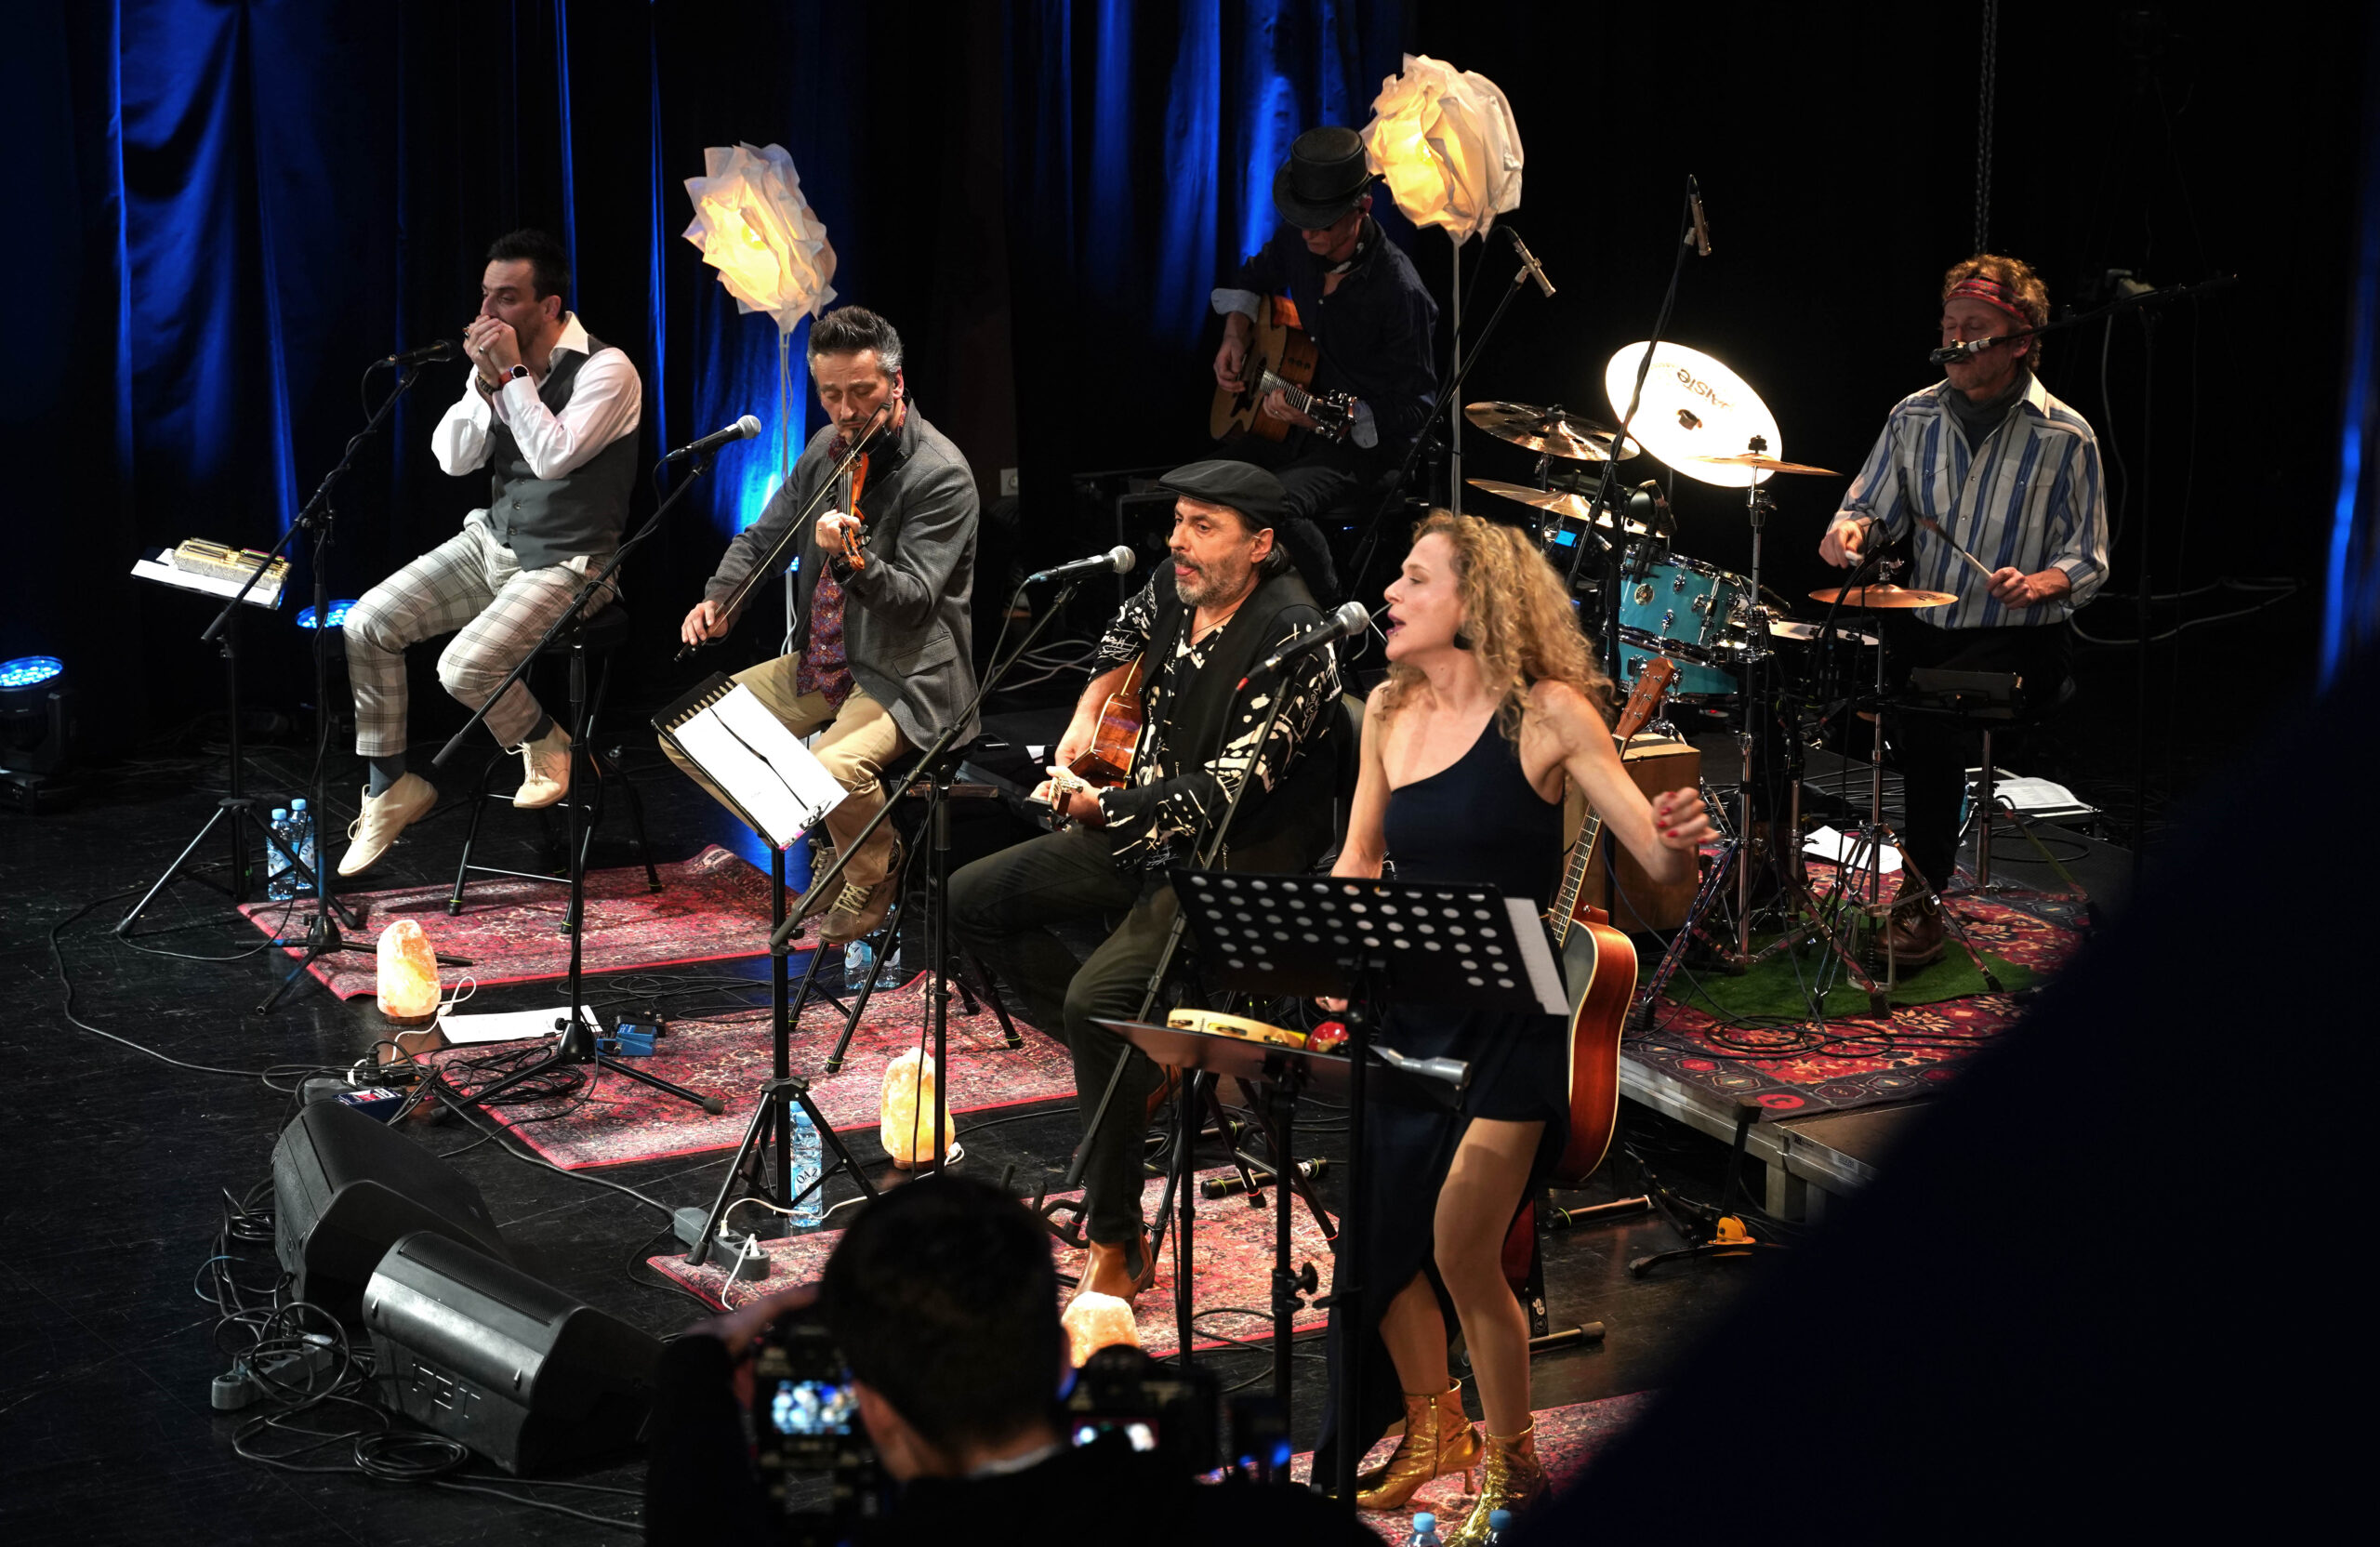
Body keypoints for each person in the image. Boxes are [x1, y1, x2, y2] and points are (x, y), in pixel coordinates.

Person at [1322, 512, 1713, 1543]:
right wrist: (1326, 953)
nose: (1391, 592)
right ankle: (1432, 1429)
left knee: (1460, 1242)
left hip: (1515, 1015)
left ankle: (1515, 1466)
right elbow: (1361, 857)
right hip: (1410, 1001)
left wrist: (1678, 840)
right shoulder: (1385, 708)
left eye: (1415, 578)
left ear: (1476, 601)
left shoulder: (1550, 714)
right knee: (1379, 1238)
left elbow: (1656, 864)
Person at [947, 460, 1343, 1305]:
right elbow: (1120, 637)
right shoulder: (1176, 584)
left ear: (1260, 544)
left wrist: (1105, 807)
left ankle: (1118, 1241)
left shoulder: (1296, 639)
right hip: (1138, 835)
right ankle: (1139, 1069)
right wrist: (1086, 718)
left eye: (1203, 526)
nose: (1177, 542)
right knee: (967, 901)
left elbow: (1230, 790)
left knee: (1094, 999)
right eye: (1178, 521)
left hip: (1225, 869)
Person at [642, 1173, 1378, 1546]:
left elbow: (699, 1527)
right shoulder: (1291, 1531)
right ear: (1062, 1356)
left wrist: (697, 1368)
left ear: (877, 1410)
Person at [1819, 254, 2109, 962]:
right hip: (1931, 629)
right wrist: (1849, 532)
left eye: (1974, 326)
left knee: (1931, 721)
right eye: (1949, 324)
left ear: (2020, 341)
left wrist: (2042, 582)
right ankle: (1768, 866)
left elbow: (2090, 557)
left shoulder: (2066, 435)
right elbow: (1867, 509)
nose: (1955, 339)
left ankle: (1921, 897)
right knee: (1809, 678)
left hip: (2023, 641)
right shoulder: (1912, 415)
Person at [668, 306, 978, 946]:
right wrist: (722, 598)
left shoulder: (940, 473)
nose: (845, 409)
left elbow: (915, 601)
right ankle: (832, 834)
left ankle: (873, 864)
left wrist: (851, 562)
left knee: (832, 766)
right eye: (830, 394)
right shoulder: (825, 450)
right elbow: (763, 537)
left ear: (896, 383)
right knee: (691, 735)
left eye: (860, 392)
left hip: (905, 670)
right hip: (829, 659)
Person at [337, 229, 641, 876]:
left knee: (463, 668)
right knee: (367, 623)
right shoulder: (497, 370)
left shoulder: (607, 369)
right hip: (493, 541)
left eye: (506, 298)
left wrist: (510, 377)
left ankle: (546, 740)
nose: (486, 314)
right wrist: (483, 384)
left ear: (548, 306)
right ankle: (388, 787)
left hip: (571, 562)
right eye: (485, 296)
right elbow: (453, 461)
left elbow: (554, 457)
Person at [1210, 125, 1439, 598]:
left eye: (1325, 223)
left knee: (1273, 507)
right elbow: (1251, 278)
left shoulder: (1400, 291)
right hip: (1298, 429)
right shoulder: (1299, 240)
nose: (1309, 233)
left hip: (1367, 451)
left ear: (1363, 208)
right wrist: (1234, 335)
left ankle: (1330, 617)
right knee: (1209, 485)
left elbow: (1416, 407)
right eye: (1303, 221)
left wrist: (1318, 418)